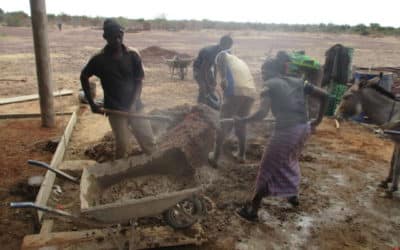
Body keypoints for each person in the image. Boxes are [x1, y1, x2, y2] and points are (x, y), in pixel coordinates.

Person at [235, 51, 329, 221]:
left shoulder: (269, 85)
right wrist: (317, 121)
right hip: (303, 129)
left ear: (273, 71)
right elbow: (325, 96)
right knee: (290, 160)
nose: (262, 75)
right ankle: (293, 195)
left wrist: (244, 120)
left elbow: (262, 113)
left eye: (264, 72)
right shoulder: (299, 81)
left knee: (266, 168)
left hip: (286, 132)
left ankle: (253, 210)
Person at [80, 19, 156, 159]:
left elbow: (138, 81)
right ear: (105, 37)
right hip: (115, 108)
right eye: (112, 36)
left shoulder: (133, 55)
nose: (117, 40)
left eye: (119, 36)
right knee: (123, 146)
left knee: (148, 141)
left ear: (122, 34)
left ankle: (154, 167)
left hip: (135, 105)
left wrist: (133, 103)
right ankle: (120, 175)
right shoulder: (98, 59)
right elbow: (83, 76)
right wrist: (91, 104)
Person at [208, 51, 256, 167]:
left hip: (235, 91)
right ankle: (241, 155)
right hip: (250, 92)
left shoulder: (222, 55)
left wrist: (223, 78)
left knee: (224, 122)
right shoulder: (240, 61)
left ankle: (215, 157)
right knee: (241, 122)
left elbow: (222, 60)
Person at [193, 35, 233, 110]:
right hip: (198, 69)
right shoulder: (210, 52)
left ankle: (208, 101)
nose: (229, 50)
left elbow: (215, 66)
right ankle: (199, 107)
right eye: (228, 47)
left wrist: (214, 79)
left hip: (208, 69)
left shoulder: (221, 52)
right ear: (224, 45)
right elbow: (203, 70)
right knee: (203, 87)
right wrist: (207, 84)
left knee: (212, 84)